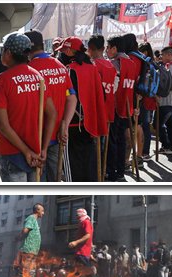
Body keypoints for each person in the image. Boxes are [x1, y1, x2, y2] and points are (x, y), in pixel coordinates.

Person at [0, 33, 57, 182]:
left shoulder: (0, 81)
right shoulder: (38, 77)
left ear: (8, 53)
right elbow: (52, 114)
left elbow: (3, 126)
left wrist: (26, 152)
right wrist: (44, 148)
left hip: (12, 155)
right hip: (36, 154)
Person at [25, 30, 76, 182]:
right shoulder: (60, 65)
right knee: (55, 180)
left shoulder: (30, 70)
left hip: (37, 137)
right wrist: (65, 125)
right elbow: (72, 98)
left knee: (37, 181)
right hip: (58, 133)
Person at [59, 36, 105, 182]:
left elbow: (65, 98)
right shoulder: (92, 68)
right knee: (88, 161)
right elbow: (101, 96)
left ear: (69, 51)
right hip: (90, 122)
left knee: (73, 164)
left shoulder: (69, 70)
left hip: (72, 123)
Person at [105, 35, 141, 181]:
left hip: (115, 106)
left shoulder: (114, 63)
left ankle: (112, 171)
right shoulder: (131, 63)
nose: (107, 50)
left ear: (114, 48)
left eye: (108, 47)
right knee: (121, 140)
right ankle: (120, 170)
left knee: (113, 141)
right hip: (127, 107)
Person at [88, 35, 118, 174]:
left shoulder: (93, 66)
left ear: (91, 49)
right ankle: (102, 172)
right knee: (103, 145)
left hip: (95, 111)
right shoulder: (111, 65)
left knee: (94, 145)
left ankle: (96, 174)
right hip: (108, 109)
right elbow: (115, 87)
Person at [14, 203, 45, 277]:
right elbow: (25, 230)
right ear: (37, 210)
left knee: (31, 272)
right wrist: (18, 237)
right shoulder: (31, 218)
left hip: (32, 252)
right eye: (42, 211)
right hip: (27, 250)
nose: (43, 213)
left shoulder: (34, 221)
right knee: (24, 270)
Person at [67, 208, 95, 277]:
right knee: (78, 271)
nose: (76, 217)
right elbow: (90, 240)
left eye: (77, 215)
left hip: (82, 253)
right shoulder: (82, 223)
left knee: (88, 272)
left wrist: (76, 242)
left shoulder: (86, 222)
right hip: (81, 253)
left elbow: (88, 236)